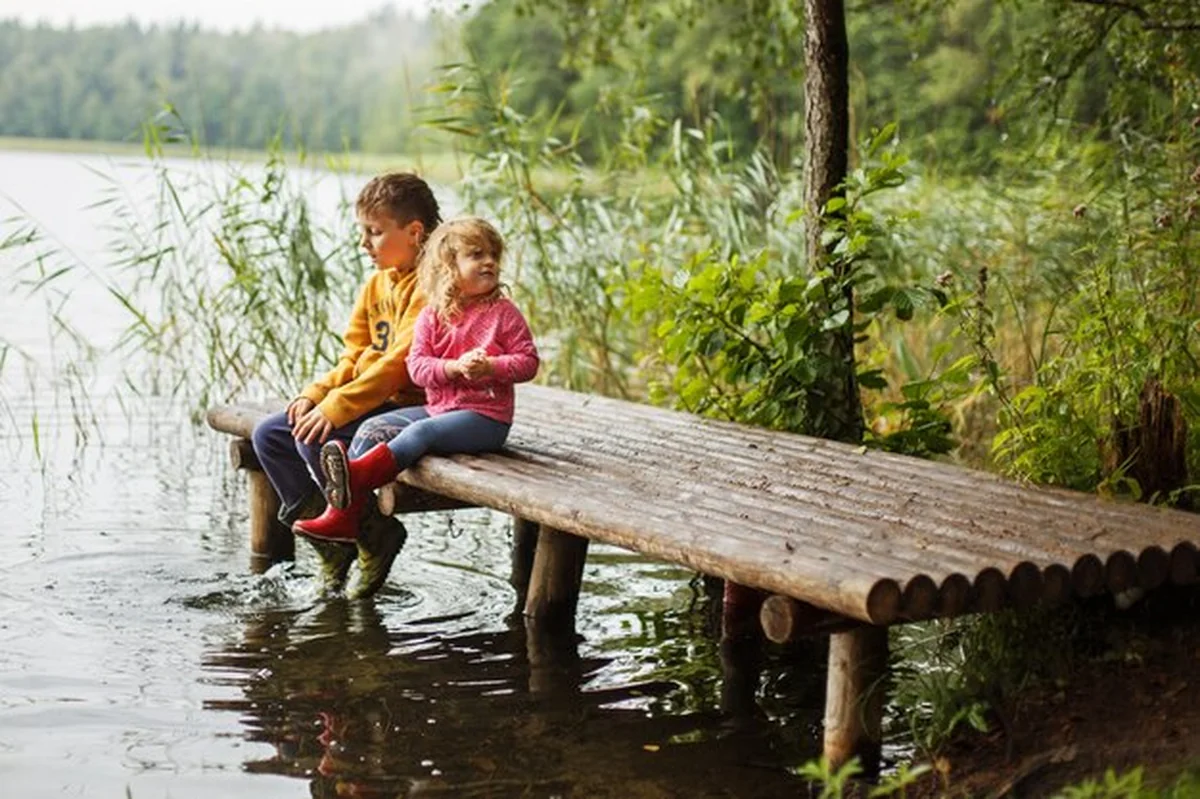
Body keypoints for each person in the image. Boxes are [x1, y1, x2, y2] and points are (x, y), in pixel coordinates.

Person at [292, 217, 539, 597]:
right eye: (476, 255)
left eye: (494, 255)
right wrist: (453, 368)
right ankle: (345, 515)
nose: (489, 262)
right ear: (448, 268)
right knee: (371, 430)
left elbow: (527, 362)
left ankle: (354, 482)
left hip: (485, 418)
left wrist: (492, 366)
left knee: (420, 432)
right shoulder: (432, 316)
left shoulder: (503, 313)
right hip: (442, 409)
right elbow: (418, 369)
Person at [250, 171, 441, 596]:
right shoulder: (376, 284)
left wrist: (335, 409)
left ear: (414, 232)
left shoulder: (433, 287)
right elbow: (354, 356)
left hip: (419, 403)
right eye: (363, 232)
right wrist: (315, 395)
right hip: (375, 398)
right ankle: (332, 543)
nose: (364, 244)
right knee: (270, 435)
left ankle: (373, 535)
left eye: (374, 232)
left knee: (319, 436)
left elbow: (398, 365)